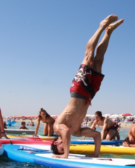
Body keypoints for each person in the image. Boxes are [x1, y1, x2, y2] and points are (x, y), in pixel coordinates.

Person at [51, 15, 124, 158]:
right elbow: (97, 135)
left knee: (89, 56)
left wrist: (65, 156)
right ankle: (108, 31)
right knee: (99, 61)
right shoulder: (77, 132)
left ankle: (102, 26)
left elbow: (65, 132)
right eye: (64, 149)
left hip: (78, 90)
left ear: (55, 143)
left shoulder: (57, 128)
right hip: (90, 94)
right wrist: (95, 155)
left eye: (61, 148)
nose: (66, 148)